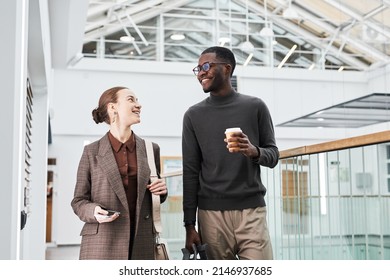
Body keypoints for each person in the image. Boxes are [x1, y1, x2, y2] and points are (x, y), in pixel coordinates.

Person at [182, 46, 279, 260]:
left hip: (252, 211)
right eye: (197, 69)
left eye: (206, 66)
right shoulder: (193, 115)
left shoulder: (255, 107)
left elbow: (273, 155)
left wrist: (254, 151)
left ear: (227, 68)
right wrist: (189, 224)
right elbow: (190, 171)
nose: (200, 73)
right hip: (210, 216)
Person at [71, 86, 167, 260]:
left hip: (142, 240)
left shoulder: (151, 149)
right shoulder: (91, 152)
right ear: (112, 107)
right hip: (102, 243)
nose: (139, 105)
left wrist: (162, 191)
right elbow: (78, 201)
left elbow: (155, 195)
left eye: (137, 100)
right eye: (131, 99)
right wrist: (93, 211)